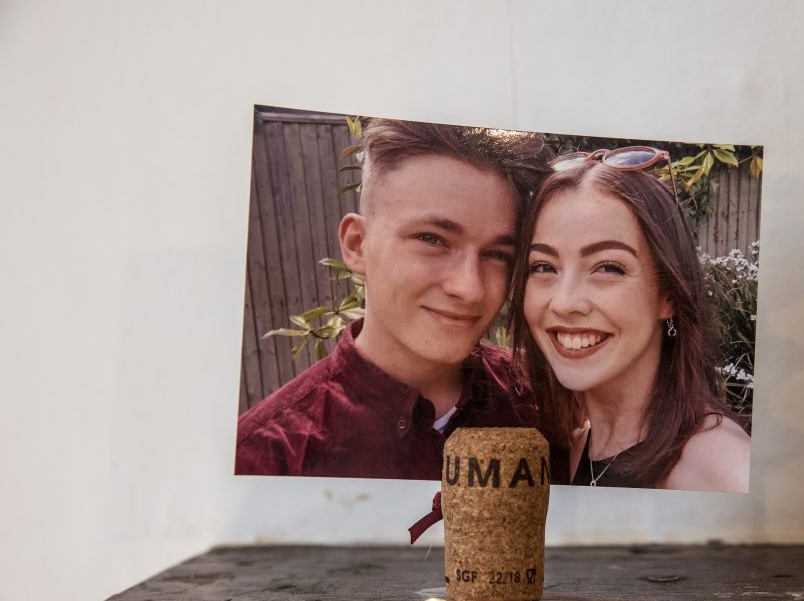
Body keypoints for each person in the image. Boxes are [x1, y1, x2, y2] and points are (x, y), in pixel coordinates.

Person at [236, 118, 566, 481]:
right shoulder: (263, 458)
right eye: (432, 239)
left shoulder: (548, 406)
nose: (469, 288)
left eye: (498, 254)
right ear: (357, 245)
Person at [508, 148, 750, 491]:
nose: (564, 302)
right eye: (544, 267)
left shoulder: (720, 468)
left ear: (668, 295)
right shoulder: (575, 450)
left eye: (608, 267)